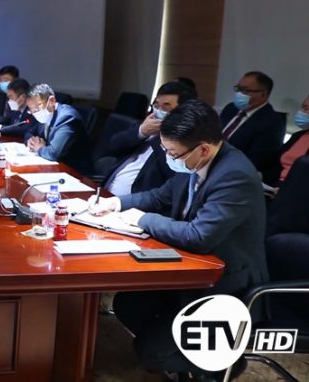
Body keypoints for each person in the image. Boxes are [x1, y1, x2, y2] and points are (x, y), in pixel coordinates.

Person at [89, 100, 267, 380]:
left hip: (225, 284)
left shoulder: (235, 176)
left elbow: (199, 236)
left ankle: (222, 363)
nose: (169, 157)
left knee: (152, 352)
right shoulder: (194, 161)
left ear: (203, 149)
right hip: (190, 271)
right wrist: (117, 204)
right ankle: (180, 346)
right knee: (127, 304)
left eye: (173, 153)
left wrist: (142, 220)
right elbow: (160, 196)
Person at [103, 81, 198, 196]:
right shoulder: (146, 126)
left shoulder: (183, 144)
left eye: (166, 107)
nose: (158, 111)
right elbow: (112, 147)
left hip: (137, 202)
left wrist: (162, 136)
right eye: (156, 106)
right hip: (106, 193)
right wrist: (141, 132)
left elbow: (173, 178)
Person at [219, 71, 285, 184]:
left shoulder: (272, 122)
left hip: (233, 174)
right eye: (238, 89)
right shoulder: (230, 108)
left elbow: (255, 161)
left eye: (246, 91)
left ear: (263, 94)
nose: (239, 94)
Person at [24, 83, 93, 175]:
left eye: (38, 107)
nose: (35, 113)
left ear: (52, 101)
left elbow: (53, 154)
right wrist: (31, 140)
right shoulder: (45, 114)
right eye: (32, 110)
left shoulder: (67, 117)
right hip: (53, 168)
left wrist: (39, 148)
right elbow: (29, 131)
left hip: (73, 173)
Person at [274, 94, 309, 185]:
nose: (301, 112)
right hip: (276, 184)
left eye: (306, 109)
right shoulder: (298, 135)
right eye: (302, 108)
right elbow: (275, 161)